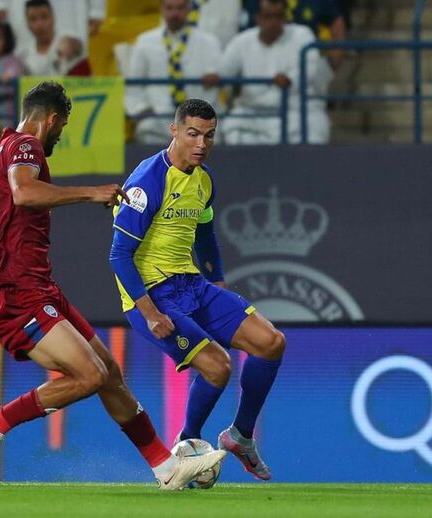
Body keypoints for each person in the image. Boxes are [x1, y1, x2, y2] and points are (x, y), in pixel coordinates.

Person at [0, 81, 225, 490]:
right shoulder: (26, 146)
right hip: (16, 292)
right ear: (52, 119)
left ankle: (166, 469)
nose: (59, 135)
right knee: (90, 375)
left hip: (39, 287)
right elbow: (24, 193)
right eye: (62, 127)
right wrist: (91, 193)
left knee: (108, 373)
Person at [110, 99, 286, 481]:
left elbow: (205, 236)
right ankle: (186, 445)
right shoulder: (148, 182)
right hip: (151, 295)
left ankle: (240, 436)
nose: (201, 144)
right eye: (193, 134)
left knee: (271, 342)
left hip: (191, 284)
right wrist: (150, 313)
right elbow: (119, 256)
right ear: (174, 131)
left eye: (209, 136)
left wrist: (219, 287)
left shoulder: (204, 180)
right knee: (218, 367)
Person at [205, 0, 330, 144]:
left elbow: (309, 69)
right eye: (268, 16)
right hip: (253, 113)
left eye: (278, 16)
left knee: (314, 131)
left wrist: (289, 80)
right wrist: (215, 76)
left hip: (294, 111)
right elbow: (224, 71)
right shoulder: (242, 41)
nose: (273, 22)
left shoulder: (302, 36)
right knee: (231, 127)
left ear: (285, 17)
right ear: (257, 18)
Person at [124, 0, 221, 145]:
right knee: (146, 128)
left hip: (197, 117)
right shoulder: (144, 42)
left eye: (180, 8)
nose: (175, 13)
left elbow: (216, 83)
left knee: (213, 136)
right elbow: (133, 86)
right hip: (158, 115)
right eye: (169, 8)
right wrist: (141, 109)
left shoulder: (209, 42)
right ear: (162, 9)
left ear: (189, 9)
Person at [16, 0, 59, 76]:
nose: (39, 25)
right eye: (33, 19)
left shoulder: (73, 48)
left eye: (44, 17)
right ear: (27, 23)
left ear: (53, 18)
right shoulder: (22, 56)